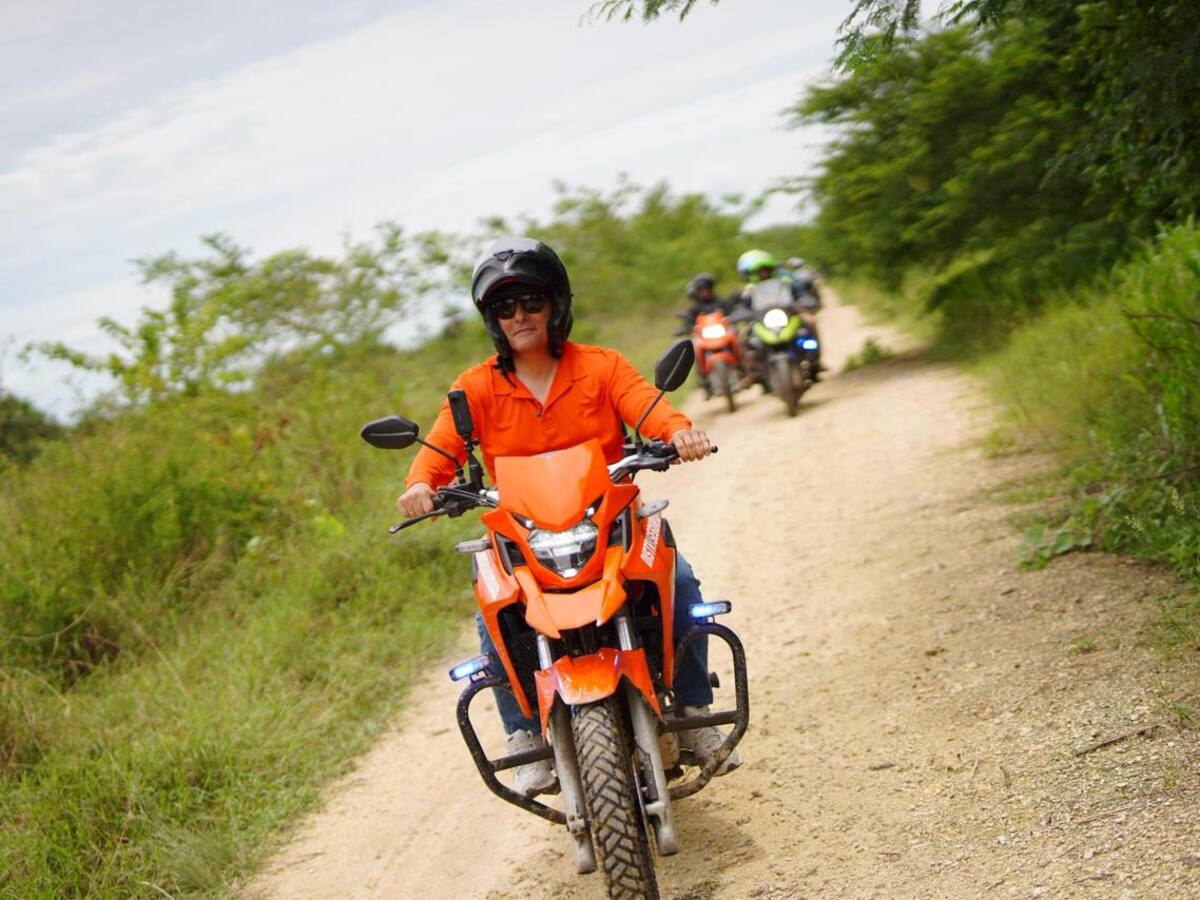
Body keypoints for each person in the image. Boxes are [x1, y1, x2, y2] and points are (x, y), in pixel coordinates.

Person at [397, 236, 742, 796]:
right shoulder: (475, 387)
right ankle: (524, 734)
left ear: (556, 304)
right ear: (492, 320)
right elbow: (439, 451)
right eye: (504, 308)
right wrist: (419, 486)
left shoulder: (601, 366)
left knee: (678, 580)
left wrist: (679, 433)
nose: (519, 316)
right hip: (521, 537)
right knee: (493, 612)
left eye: (530, 301)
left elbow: (647, 405)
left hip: (611, 524)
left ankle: (698, 709)